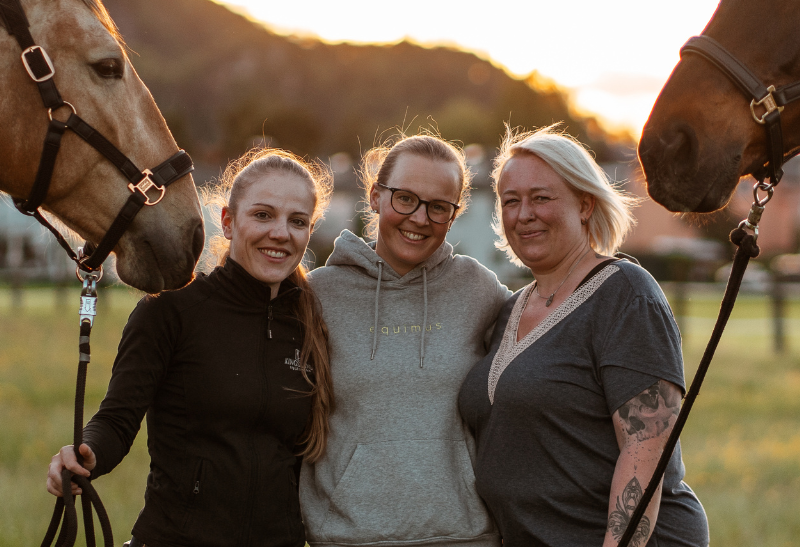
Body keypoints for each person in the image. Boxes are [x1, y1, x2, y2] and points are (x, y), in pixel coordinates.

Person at [44, 148, 335, 547]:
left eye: (297, 221)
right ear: (228, 222)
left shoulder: (312, 321)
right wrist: (87, 452)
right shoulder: (171, 309)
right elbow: (117, 419)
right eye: (263, 215)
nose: (281, 233)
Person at [458, 127, 709, 547]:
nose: (524, 214)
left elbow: (644, 450)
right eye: (511, 201)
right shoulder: (507, 310)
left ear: (585, 204)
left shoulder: (625, 293)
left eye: (541, 198)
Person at [301, 133, 508, 547]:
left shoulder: (478, 289)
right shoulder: (317, 295)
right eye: (405, 199)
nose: (419, 218)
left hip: (465, 537)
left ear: (454, 214)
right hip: (348, 537)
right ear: (376, 196)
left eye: (438, 207)